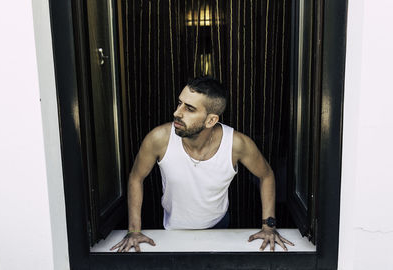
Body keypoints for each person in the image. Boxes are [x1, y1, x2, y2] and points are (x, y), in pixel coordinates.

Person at [111, 76, 294, 252]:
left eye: (189, 109)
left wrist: (268, 226)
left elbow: (266, 174)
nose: (177, 112)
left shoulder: (236, 144)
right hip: (172, 230)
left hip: (219, 226)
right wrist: (134, 230)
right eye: (179, 103)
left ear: (211, 120)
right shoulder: (159, 139)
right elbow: (136, 177)